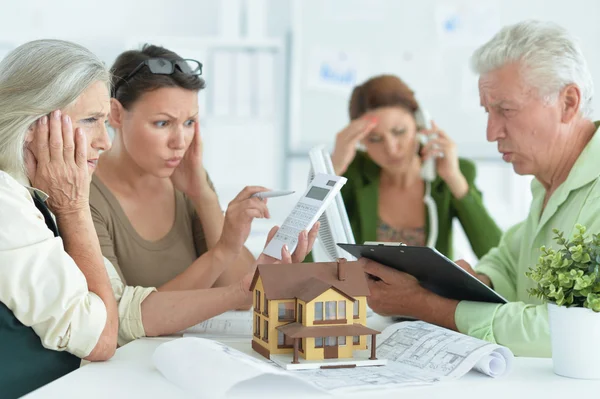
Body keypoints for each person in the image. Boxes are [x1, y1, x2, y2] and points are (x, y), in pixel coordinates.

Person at [0, 40, 313, 398]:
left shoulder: (44, 193)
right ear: (32, 124)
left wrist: (243, 288)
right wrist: (74, 207)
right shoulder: (18, 202)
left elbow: (121, 309)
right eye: (90, 121)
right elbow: (101, 337)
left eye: (191, 122)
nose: (104, 141)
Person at [362, 20, 600, 357]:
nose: (491, 133)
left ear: (568, 103)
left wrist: (429, 306)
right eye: (488, 111)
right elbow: (510, 260)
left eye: (505, 110)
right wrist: (472, 281)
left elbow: (570, 327)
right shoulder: (549, 182)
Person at [90, 44, 317, 293]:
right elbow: (118, 314)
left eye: (189, 122)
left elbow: (242, 291)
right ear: (115, 114)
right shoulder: (84, 194)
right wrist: (222, 251)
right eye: (162, 123)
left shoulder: (189, 178)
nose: (180, 142)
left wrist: (204, 198)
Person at [330, 74, 501, 259]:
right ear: (361, 141)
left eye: (399, 131)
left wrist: (454, 180)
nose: (391, 149)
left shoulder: (451, 173)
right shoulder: (353, 173)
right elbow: (303, 258)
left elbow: (497, 257)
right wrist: (331, 170)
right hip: (363, 289)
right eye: (375, 139)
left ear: (419, 123)